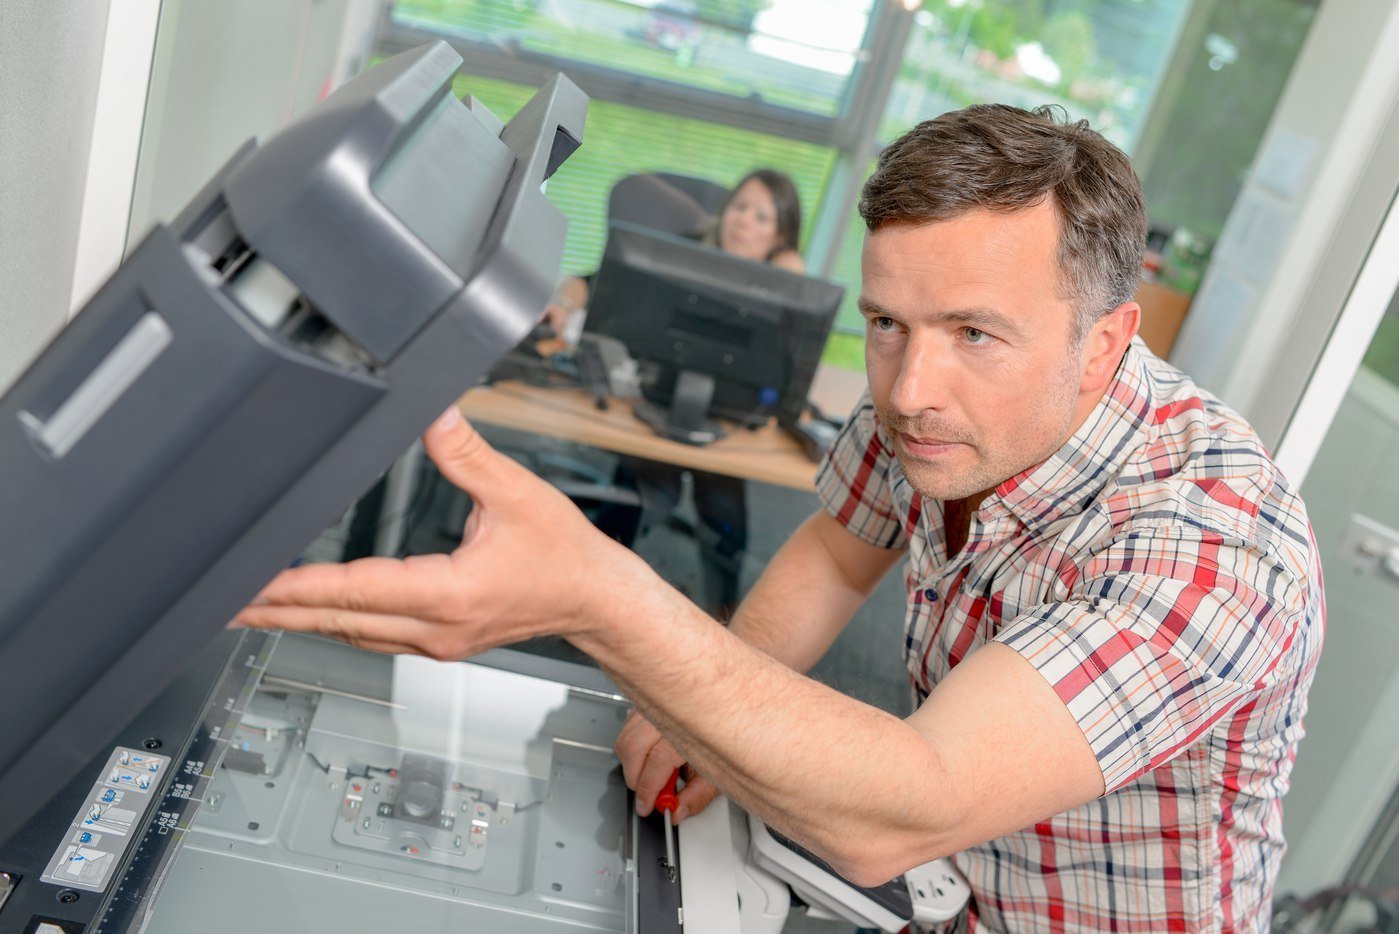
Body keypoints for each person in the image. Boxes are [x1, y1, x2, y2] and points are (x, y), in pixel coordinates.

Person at [236, 104, 1325, 931]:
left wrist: (601, 595)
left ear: (1104, 340)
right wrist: (694, 710)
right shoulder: (946, 409)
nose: (907, 390)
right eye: (888, 324)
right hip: (950, 892)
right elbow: (840, 549)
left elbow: (911, 799)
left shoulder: (1216, 539)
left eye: (973, 334)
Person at [546, 168, 807, 616]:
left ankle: (725, 614)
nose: (744, 221)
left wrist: (790, 287)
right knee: (652, 496)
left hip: (724, 419)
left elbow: (792, 365)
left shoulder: (780, 284)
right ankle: (578, 591)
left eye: (762, 217)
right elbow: (594, 282)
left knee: (721, 505)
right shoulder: (684, 249)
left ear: (781, 235)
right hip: (654, 403)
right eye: (740, 206)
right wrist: (564, 304)